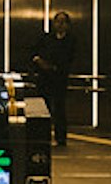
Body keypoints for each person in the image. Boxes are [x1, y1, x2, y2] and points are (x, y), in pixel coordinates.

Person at [24, 10, 80, 146]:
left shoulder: (71, 40)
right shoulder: (46, 38)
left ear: (67, 25)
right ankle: (44, 136)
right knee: (45, 108)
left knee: (60, 108)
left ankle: (61, 137)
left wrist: (55, 66)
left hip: (60, 78)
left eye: (63, 22)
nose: (60, 25)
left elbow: (70, 59)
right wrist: (39, 62)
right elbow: (33, 52)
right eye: (58, 22)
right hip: (45, 79)